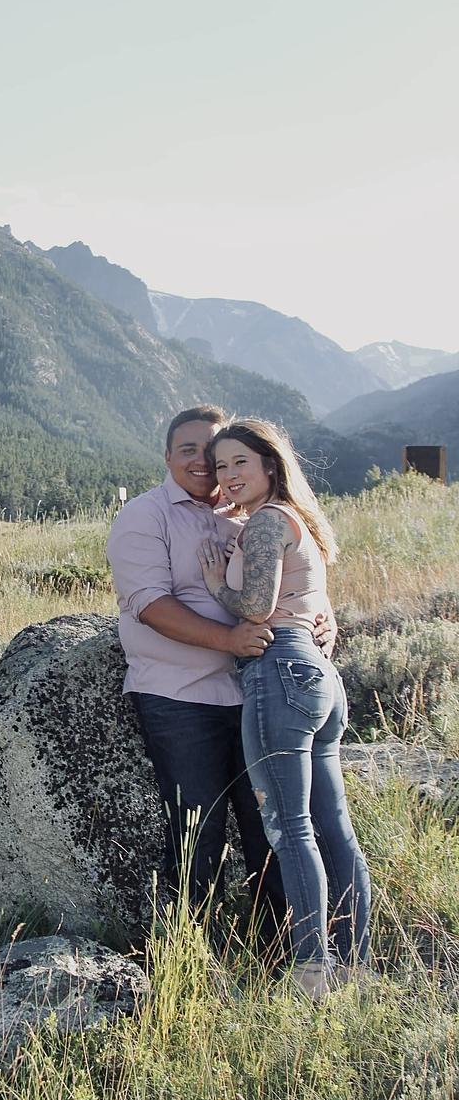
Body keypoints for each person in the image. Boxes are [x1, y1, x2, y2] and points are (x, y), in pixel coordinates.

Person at [106, 406, 335, 944]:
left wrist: (321, 617)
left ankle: (276, 953)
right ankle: (190, 957)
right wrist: (229, 640)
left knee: (268, 827)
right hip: (180, 696)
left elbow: (290, 576)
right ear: (168, 456)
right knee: (198, 828)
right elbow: (150, 605)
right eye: (188, 450)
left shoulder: (247, 513)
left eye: (213, 453)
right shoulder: (144, 516)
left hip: (255, 691)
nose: (204, 463)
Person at [197, 418, 371, 997]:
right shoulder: (295, 519)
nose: (228, 475)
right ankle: (353, 962)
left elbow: (255, 606)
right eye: (221, 466)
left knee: (290, 828)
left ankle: (312, 971)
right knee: (332, 825)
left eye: (240, 462)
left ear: (270, 464)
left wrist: (216, 582)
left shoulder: (268, 522)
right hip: (316, 676)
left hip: (278, 670)